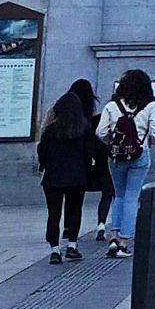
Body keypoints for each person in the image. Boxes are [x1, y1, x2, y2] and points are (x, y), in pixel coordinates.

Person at [96, 70, 155, 258]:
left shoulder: (112, 106)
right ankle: (124, 241)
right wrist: (145, 142)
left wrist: (112, 144)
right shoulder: (150, 106)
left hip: (116, 156)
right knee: (132, 197)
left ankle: (114, 237)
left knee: (118, 195)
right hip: (140, 154)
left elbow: (101, 132)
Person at [36, 88, 97, 263]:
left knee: (53, 214)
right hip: (77, 177)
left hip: (53, 177)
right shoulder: (84, 128)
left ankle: (55, 251)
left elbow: (43, 150)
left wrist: (44, 166)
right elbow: (88, 153)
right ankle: (72, 245)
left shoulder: (51, 129)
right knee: (75, 210)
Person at [67, 78, 114, 224]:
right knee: (106, 192)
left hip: (67, 159)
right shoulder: (90, 118)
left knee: (70, 195)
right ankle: (100, 223)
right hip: (90, 159)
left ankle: (67, 227)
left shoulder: (61, 111)